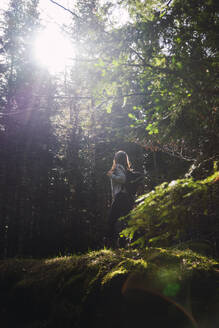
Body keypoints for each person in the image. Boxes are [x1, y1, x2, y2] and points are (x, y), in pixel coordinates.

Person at [107, 150, 134, 248]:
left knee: (111, 221)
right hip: (127, 197)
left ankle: (113, 245)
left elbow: (122, 179)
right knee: (126, 221)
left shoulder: (117, 167)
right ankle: (125, 243)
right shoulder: (125, 169)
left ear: (116, 159)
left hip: (120, 197)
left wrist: (111, 175)